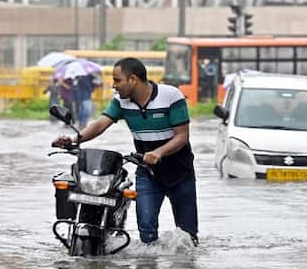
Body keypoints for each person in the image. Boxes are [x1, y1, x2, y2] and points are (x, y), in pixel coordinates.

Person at [52, 57, 199, 246]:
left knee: (188, 235)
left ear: (133, 79)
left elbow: (182, 136)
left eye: (117, 80)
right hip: (147, 173)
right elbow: (100, 124)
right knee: (146, 233)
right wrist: (73, 139)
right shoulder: (121, 102)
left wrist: (159, 153)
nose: (114, 86)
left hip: (180, 173)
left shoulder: (171, 96)